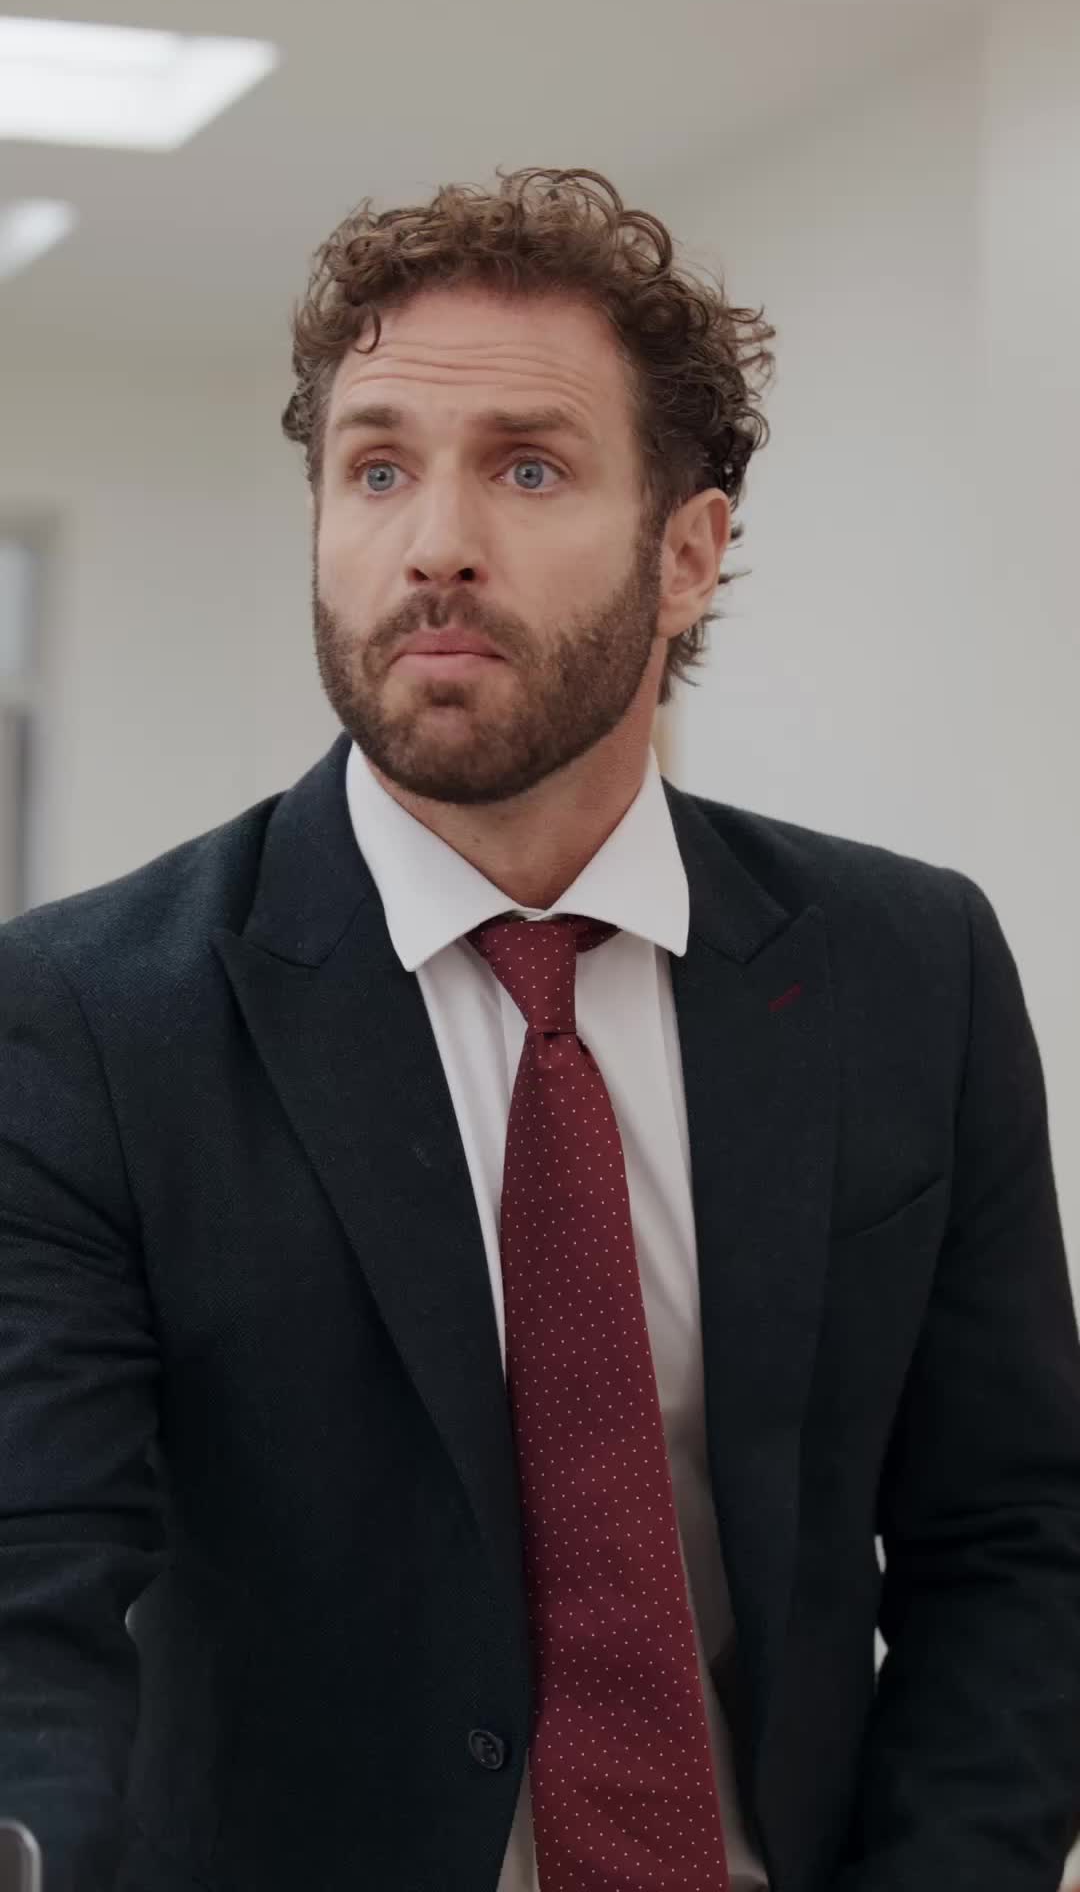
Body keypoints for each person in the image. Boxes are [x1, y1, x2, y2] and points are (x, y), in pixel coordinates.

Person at [0, 164, 1077, 1892]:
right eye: (375, 470)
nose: (432, 542)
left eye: (526, 467)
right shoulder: (83, 1019)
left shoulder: (911, 969)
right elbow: (30, 1583)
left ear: (689, 554)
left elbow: (1014, 1538)